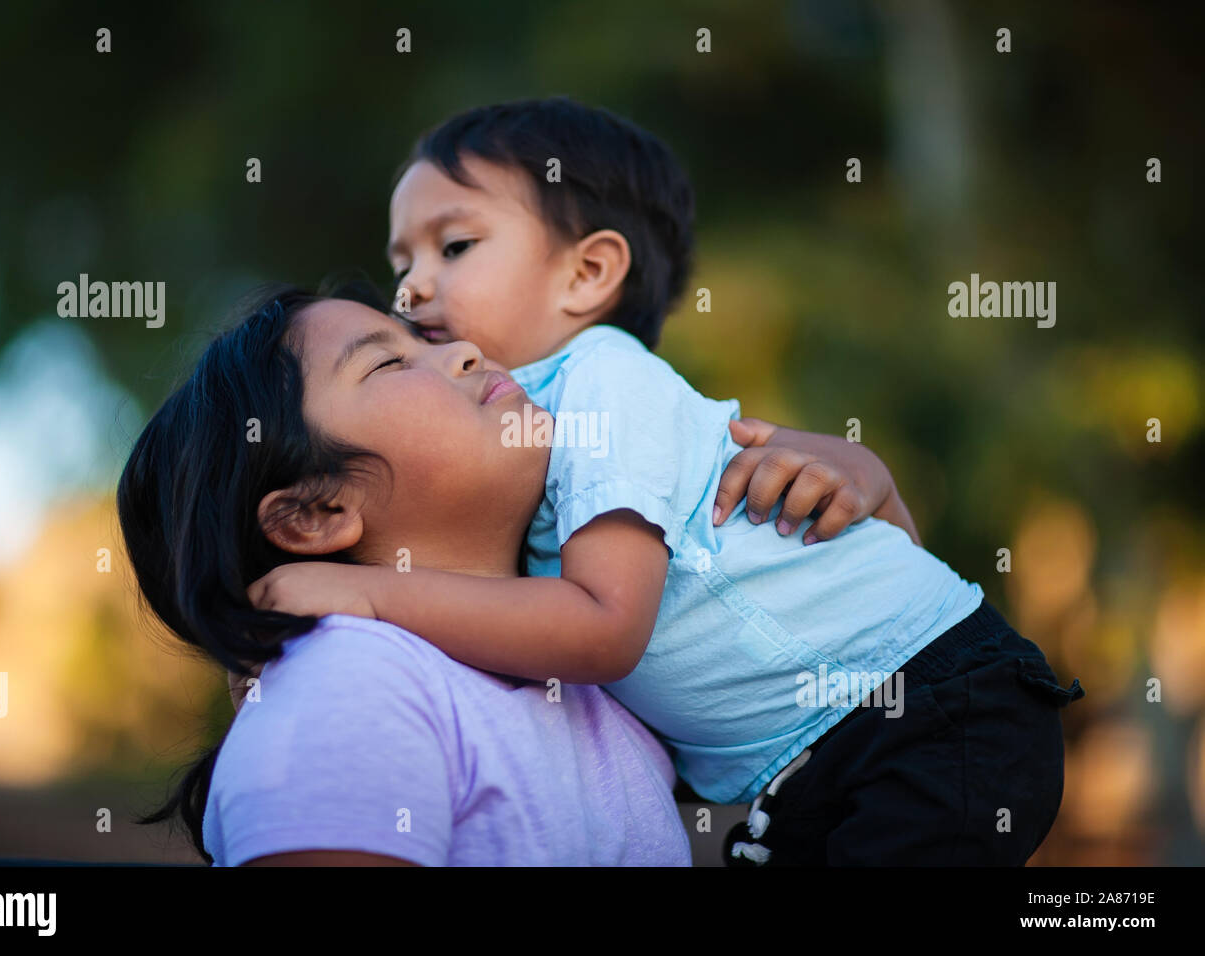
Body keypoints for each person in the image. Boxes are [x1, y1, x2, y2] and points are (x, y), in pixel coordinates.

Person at [250, 99, 1084, 865]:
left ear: (587, 274)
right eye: (402, 262)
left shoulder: (605, 384)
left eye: (454, 246)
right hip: (817, 753)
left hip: (931, 706)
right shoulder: (518, 440)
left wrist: (356, 593)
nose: (412, 287)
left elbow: (602, 628)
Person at [118, 282, 693, 865]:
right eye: (390, 360)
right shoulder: (347, 677)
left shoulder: (589, 669)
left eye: (423, 338)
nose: (466, 349)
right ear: (316, 513)